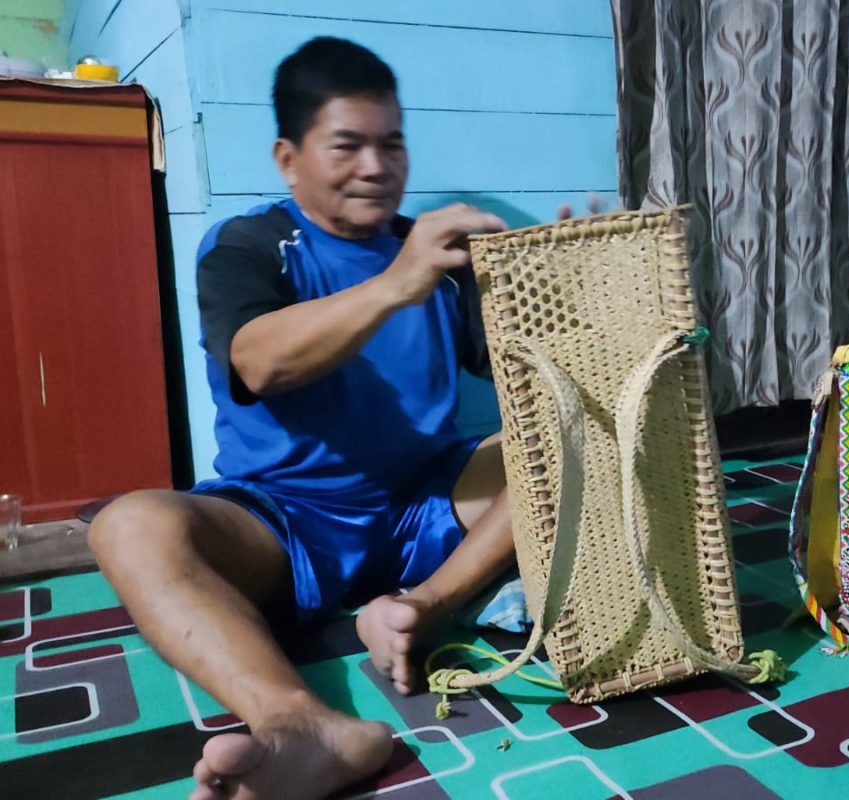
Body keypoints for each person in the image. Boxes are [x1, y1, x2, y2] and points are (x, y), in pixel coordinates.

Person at [88, 37, 526, 799]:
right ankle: (302, 725)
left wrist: (563, 277)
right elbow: (260, 361)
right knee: (130, 525)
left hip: (425, 504)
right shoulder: (249, 244)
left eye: (392, 144)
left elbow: (522, 372)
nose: (376, 167)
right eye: (347, 145)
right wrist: (397, 282)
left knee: (566, 437)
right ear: (288, 159)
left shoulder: (437, 259)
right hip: (286, 522)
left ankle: (425, 607)